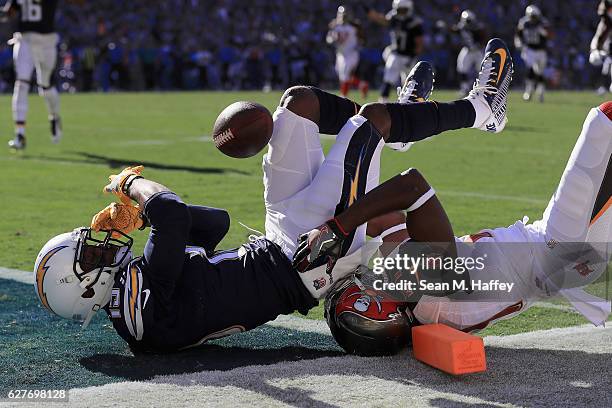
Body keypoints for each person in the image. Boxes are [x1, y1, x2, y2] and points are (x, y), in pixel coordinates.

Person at [33, 38, 513, 352]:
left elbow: (214, 223)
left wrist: (145, 225)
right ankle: (480, 110)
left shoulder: (137, 309)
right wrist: (131, 187)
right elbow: (175, 215)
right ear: (83, 288)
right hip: (306, 256)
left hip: (277, 240)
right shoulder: (137, 301)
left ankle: (400, 128)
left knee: (296, 106)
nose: (99, 242)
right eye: (90, 252)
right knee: (372, 122)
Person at [323, 101, 612, 355]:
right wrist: (338, 226)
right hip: (559, 252)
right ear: (382, 307)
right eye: (369, 287)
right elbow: (413, 187)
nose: (370, 277)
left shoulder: (421, 305)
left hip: (556, 257)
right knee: (604, 120)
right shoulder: (433, 295)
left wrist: (340, 227)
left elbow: (385, 222)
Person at [2, 0, 62, 150]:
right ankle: (19, 134)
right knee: (21, 83)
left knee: (46, 86)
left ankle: (54, 116)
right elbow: (10, 11)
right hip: (25, 39)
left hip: (46, 40)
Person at [368, 0, 424, 102]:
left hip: (409, 55)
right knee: (388, 77)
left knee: (409, 83)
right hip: (396, 53)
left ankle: (408, 104)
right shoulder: (394, 18)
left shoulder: (414, 22)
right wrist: (370, 13)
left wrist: (413, 57)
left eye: (404, 10)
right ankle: (383, 101)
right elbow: (383, 20)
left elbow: (419, 43)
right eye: (400, 10)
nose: (401, 12)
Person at [326, 5, 368, 98]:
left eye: (345, 15)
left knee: (345, 75)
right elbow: (328, 38)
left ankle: (343, 97)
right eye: (341, 14)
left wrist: (360, 44)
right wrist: (332, 39)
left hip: (351, 53)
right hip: (340, 54)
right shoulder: (334, 25)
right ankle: (362, 85)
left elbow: (363, 39)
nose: (343, 17)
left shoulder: (355, 26)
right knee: (343, 76)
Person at [514, 4, 551, 102]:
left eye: (534, 17)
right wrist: (519, 43)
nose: (533, 19)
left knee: (539, 72)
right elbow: (518, 35)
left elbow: (550, 35)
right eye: (531, 17)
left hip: (541, 50)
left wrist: (542, 31)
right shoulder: (524, 22)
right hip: (529, 49)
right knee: (530, 69)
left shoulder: (543, 23)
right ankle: (528, 91)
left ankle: (541, 92)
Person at [453, 10, 486, 96]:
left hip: (477, 51)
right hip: (467, 50)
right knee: (461, 67)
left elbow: (483, 38)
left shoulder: (477, 28)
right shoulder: (462, 27)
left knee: (482, 70)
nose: (468, 23)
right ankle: (464, 88)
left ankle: (482, 89)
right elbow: (454, 30)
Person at [590, 0, 612, 95]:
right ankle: (603, 87)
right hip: (609, 47)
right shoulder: (605, 23)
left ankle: (603, 87)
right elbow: (599, 37)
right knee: (607, 65)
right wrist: (595, 50)